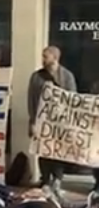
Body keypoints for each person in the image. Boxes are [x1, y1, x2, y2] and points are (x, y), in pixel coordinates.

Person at [28, 46, 76, 191]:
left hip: (60, 122)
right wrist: (32, 121)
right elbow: (31, 100)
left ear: (55, 58)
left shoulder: (67, 76)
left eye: (45, 56)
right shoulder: (36, 77)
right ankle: (45, 178)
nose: (42, 59)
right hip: (42, 121)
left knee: (58, 151)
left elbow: (72, 99)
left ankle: (57, 178)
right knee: (42, 151)